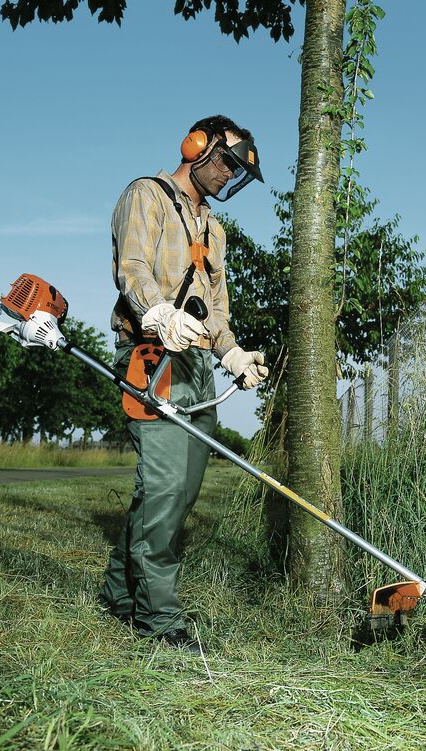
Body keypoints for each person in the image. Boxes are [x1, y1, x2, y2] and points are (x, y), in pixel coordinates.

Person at [99, 115, 268, 652]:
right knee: (166, 489)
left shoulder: (214, 229)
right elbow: (132, 269)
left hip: (196, 365)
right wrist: (159, 313)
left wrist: (234, 353)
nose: (228, 177)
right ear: (198, 146)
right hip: (153, 353)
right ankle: (159, 619)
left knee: (178, 490)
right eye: (227, 163)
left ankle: (118, 592)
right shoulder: (145, 196)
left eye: (237, 172)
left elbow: (216, 309)